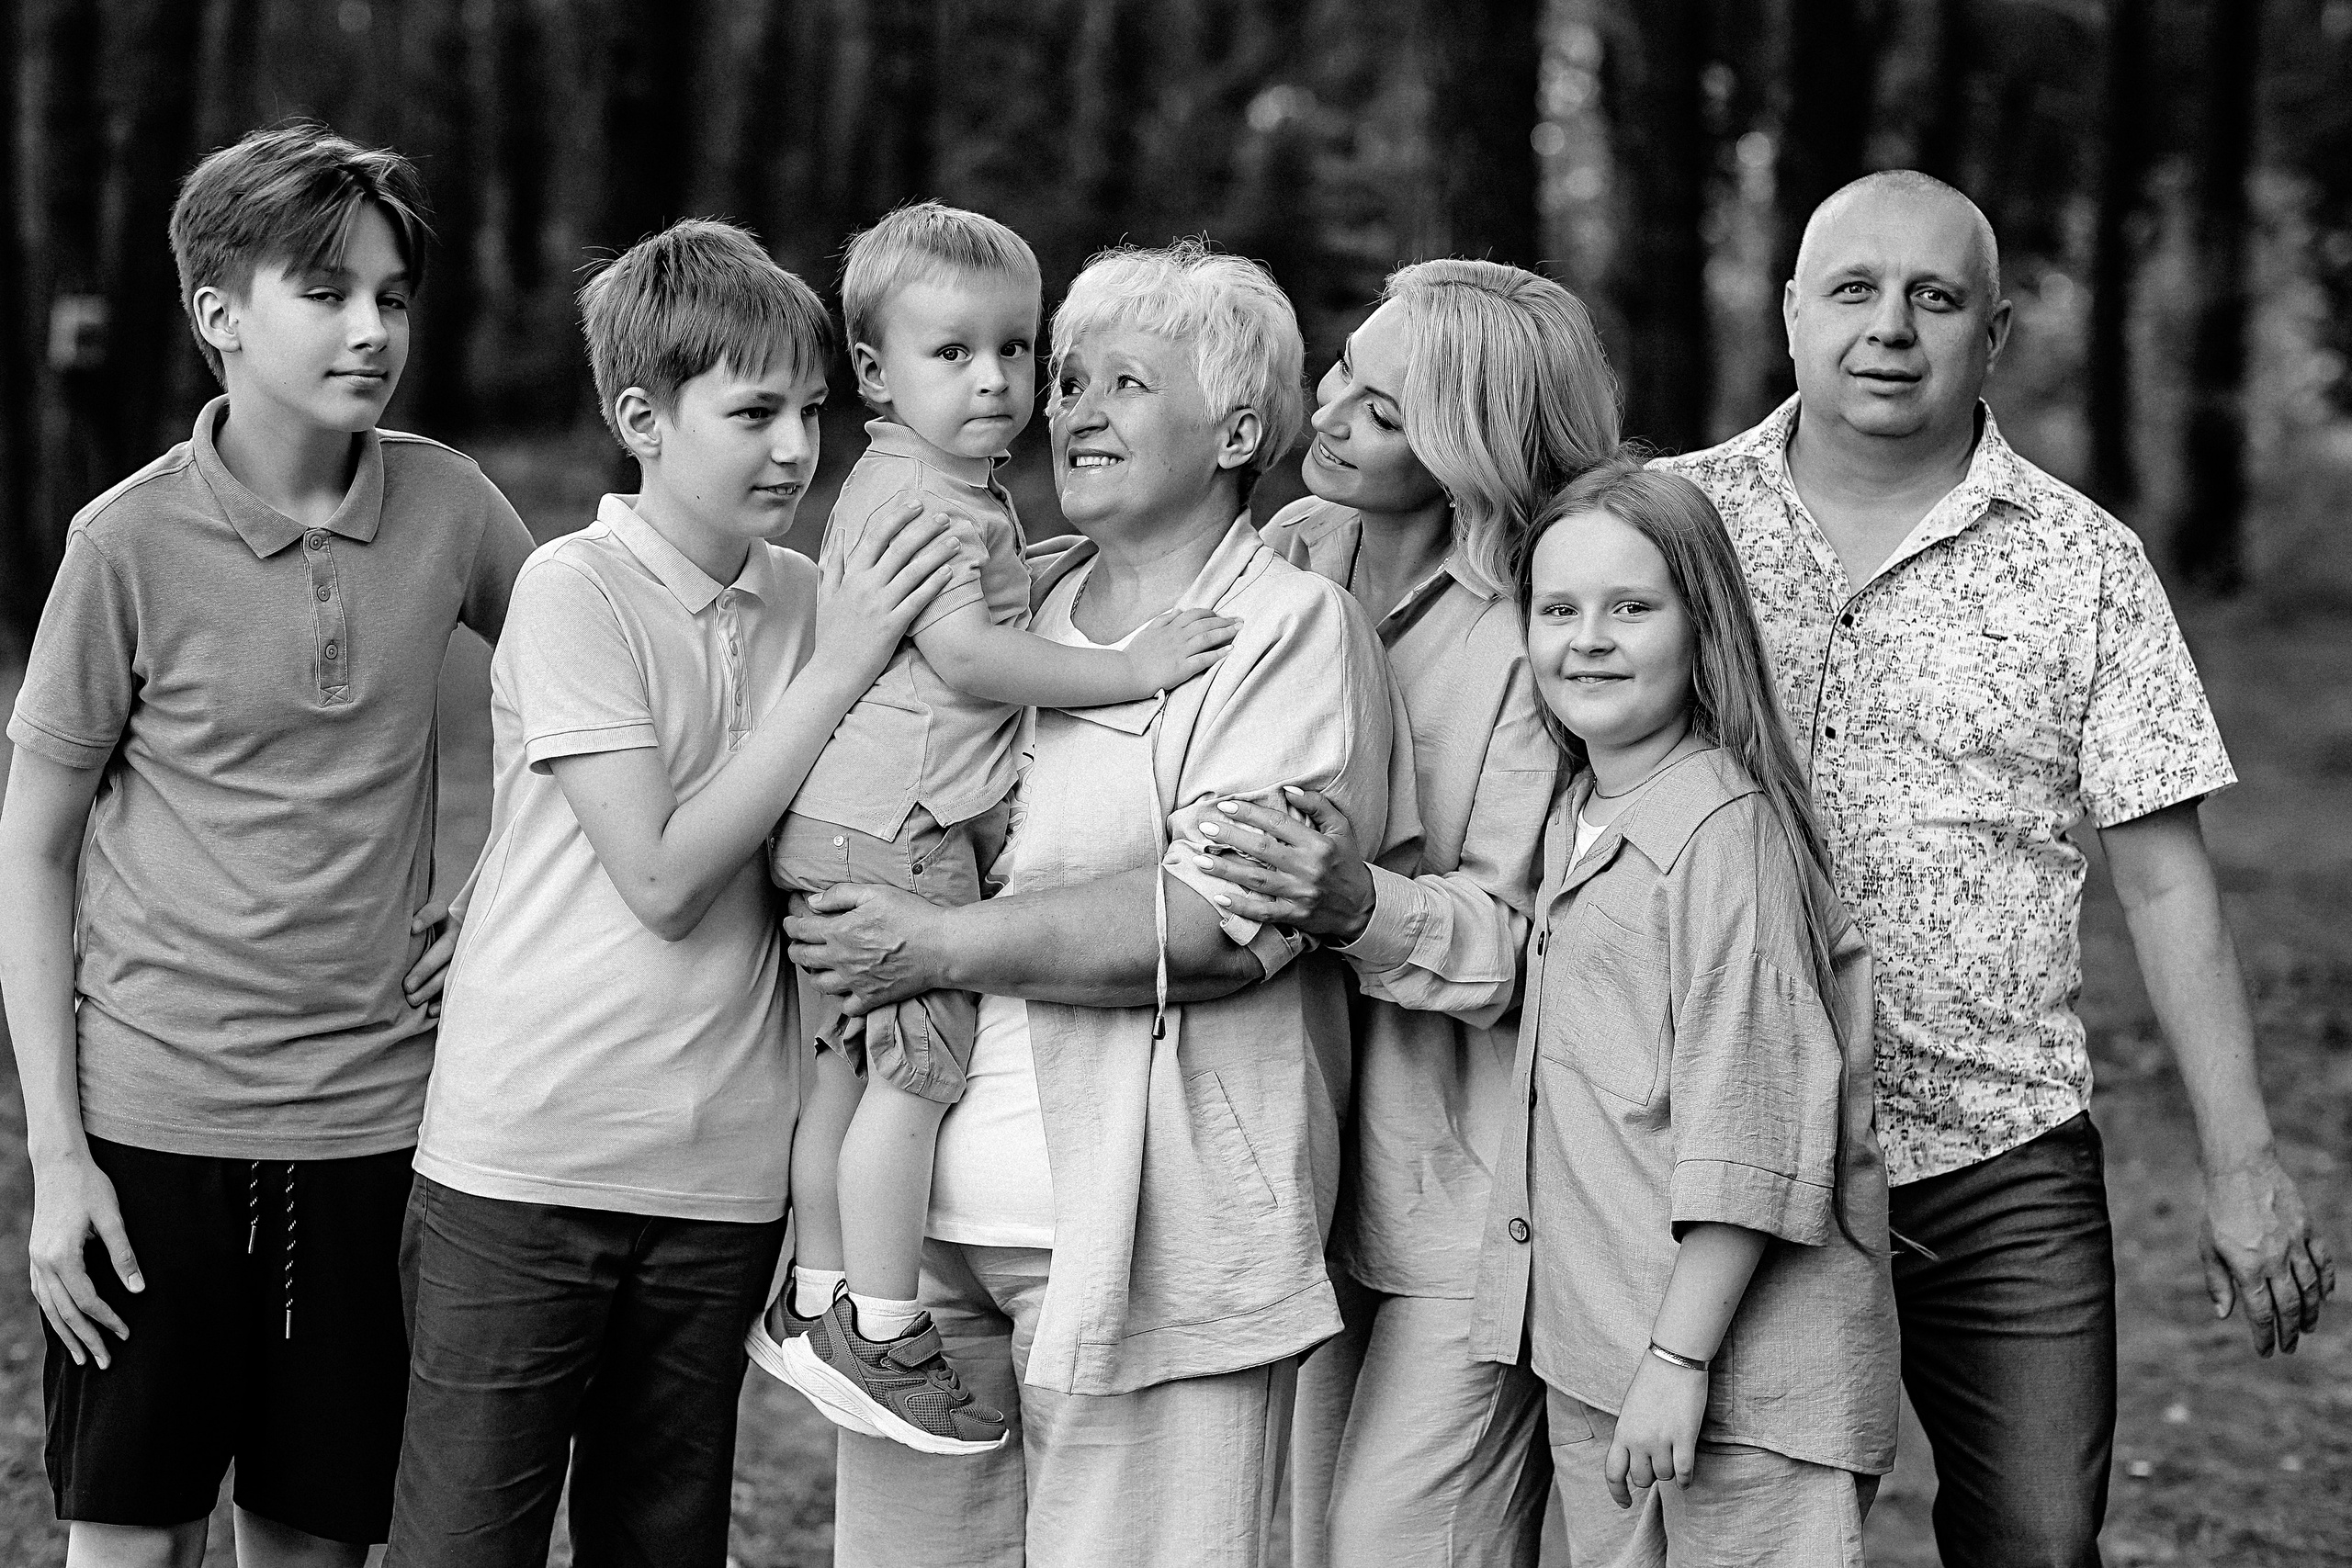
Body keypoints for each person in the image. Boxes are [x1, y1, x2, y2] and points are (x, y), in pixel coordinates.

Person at [1657, 169, 2336, 1566]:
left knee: (2036, 1538)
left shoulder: (2084, 564)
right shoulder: (1671, 529)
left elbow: (2163, 881)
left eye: (1935, 296)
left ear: (1997, 331)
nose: (1890, 327)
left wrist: (2243, 1157)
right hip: (1712, 1137)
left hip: (1993, 1146)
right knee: (1719, 1538)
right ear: (1791, 312)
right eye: (1852, 289)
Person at [783, 240, 1400, 1568]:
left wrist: (935, 941)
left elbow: (1211, 922)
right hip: (922, 1248)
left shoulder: (1285, 626)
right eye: (1067, 377)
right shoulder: (1022, 590)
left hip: (1144, 1239)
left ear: (1238, 427)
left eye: (1125, 380)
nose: (1068, 405)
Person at [383, 220, 961, 1568]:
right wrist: (836, 668)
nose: (795, 447)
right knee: (466, 1540)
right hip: (528, 1156)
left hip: (720, 1175)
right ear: (642, 416)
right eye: (754, 411)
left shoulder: (817, 596)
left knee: (663, 1541)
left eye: (812, 409)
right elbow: (657, 873)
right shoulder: (573, 591)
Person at [0, 121, 536, 1568]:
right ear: (218, 314)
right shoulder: (122, 546)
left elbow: (595, 700)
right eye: (328, 291)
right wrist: (60, 1160)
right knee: (134, 1541)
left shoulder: (451, 505)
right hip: (150, 1131)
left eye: (394, 296)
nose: (374, 329)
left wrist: (494, 884)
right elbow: (32, 845)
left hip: (380, 1130)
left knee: (315, 1540)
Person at [752, 202, 1236, 1456]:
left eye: (1018, 351)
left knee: (846, 1067)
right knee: (916, 1077)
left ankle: (813, 1297)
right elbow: (966, 652)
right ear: (872, 369)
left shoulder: (920, 479)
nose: (999, 380)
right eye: (954, 353)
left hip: (838, 817)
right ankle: (883, 1321)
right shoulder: (938, 504)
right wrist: (1130, 666)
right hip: (900, 827)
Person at [1188, 258, 1618, 1567]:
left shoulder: (1541, 630)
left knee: (1400, 1543)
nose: (1328, 414)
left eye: (1382, 410)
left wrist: (1358, 901)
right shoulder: (1289, 550)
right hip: (1299, 1159)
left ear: (1467, 452)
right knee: (1313, 1541)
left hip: (1468, 1192)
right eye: (1342, 372)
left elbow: (1528, 943)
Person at [1470, 458, 1897, 1565]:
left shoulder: (1723, 840)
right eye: (1557, 609)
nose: (1588, 639)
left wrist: (1677, 1364)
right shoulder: (1580, 808)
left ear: (1699, 623)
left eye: (1631, 607)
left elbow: (1748, 1136)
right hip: (1601, 1352)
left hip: (1732, 1384)